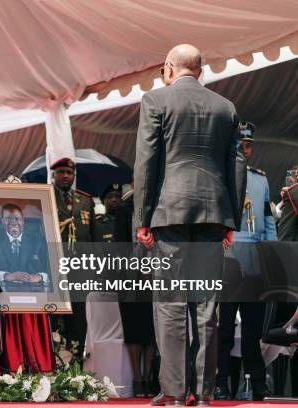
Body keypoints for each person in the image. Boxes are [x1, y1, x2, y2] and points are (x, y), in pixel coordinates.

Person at [133, 44, 246, 406]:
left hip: (170, 213)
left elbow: (147, 161)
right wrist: (232, 221)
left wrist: (142, 218)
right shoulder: (225, 107)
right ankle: (205, 393)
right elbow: (237, 165)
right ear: (201, 70)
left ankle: (174, 392)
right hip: (214, 216)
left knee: (170, 303)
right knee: (207, 305)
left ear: (169, 67)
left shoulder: (156, 100)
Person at [215, 122, 276, 401]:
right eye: (239, 144)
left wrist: (271, 256)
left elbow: (268, 222)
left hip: (254, 262)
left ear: (251, 149)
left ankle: (259, 385)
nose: (244, 148)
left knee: (253, 329)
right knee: (224, 328)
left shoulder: (261, 179)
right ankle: (221, 382)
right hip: (228, 260)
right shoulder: (220, 177)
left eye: (247, 145)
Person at [50, 157, 97, 363]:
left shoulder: (85, 200)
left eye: (69, 173)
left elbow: (93, 237)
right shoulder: (46, 196)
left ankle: (76, 357)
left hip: (80, 268)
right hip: (55, 265)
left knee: (79, 314)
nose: (65, 176)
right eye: (61, 172)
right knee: (54, 312)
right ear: (53, 175)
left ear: (74, 176)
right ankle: (53, 356)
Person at [115, 182, 157, 398]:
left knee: (150, 330)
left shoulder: (158, 207)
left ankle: (148, 377)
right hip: (128, 276)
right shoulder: (123, 209)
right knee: (133, 329)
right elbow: (118, 245)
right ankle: (136, 378)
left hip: (154, 274)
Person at [0, 203, 50, 290]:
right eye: (8, 219)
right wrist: (6, 276)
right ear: (2, 221)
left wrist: (40, 276)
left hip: (34, 289)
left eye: (17, 218)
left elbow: (50, 267)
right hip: (4, 290)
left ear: (23, 220)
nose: (13, 223)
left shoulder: (37, 239)